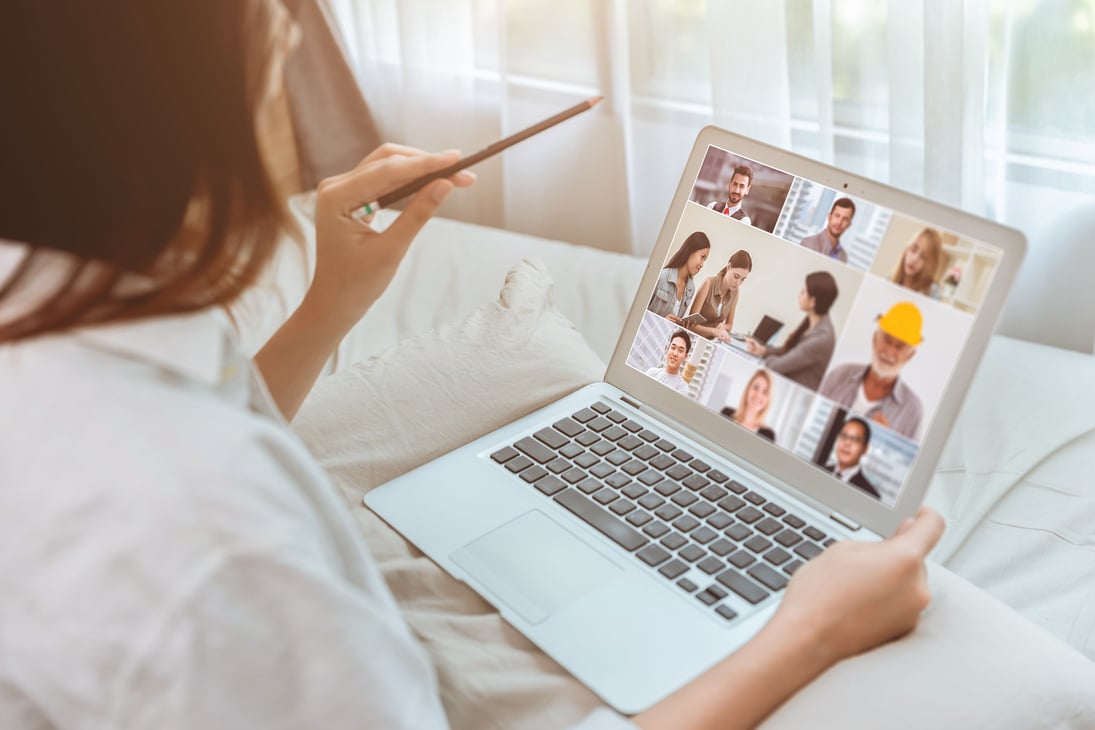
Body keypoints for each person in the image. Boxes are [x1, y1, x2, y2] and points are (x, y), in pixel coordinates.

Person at [0, 5, 945, 729]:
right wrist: (810, 629)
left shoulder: (58, 317)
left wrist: (334, 301)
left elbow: (196, 412)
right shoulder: (221, 546)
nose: (289, 36)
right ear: (174, 105)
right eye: (269, 20)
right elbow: (197, 478)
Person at [819, 302, 925, 440]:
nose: (890, 351)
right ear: (875, 339)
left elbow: (907, 461)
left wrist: (882, 441)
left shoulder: (912, 411)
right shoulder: (839, 375)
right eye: (887, 340)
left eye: (900, 346)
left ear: (909, 356)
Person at [746, 271, 838, 390]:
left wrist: (769, 359)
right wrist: (763, 351)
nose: (798, 295)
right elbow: (792, 350)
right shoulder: (814, 322)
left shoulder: (821, 339)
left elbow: (777, 366)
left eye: (803, 292)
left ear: (812, 301)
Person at [687, 249, 752, 342]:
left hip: (714, 341)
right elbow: (690, 325)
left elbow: (729, 325)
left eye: (743, 279)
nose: (738, 283)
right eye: (736, 276)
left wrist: (724, 326)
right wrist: (714, 331)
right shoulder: (709, 283)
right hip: (694, 339)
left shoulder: (735, 292)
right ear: (729, 267)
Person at [647, 231, 710, 323]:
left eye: (705, 260)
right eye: (702, 257)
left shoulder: (691, 289)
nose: (702, 264)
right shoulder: (660, 277)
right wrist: (661, 321)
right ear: (690, 251)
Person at [823, 417, 881, 498]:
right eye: (844, 436)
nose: (847, 443)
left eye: (855, 440)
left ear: (865, 449)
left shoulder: (870, 495)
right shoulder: (820, 470)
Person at [719, 369, 777, 441]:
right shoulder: (726, 414)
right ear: (748, 389)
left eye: (765, 392)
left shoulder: (768, 435)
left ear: (769, 399)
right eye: (755, 387)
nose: (758, 395)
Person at [892, 227, 944, 299]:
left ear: (930, 264)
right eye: (913, 250)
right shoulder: (889, 282)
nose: (914, 259)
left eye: (923, 257)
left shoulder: (933, 292)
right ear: (906, 249)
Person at [799, 197, 856, 263]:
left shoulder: (843, 256)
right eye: (837, 216)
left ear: (848, 225)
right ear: (829, 217)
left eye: (845, 219)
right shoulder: (809, 243)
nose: (839, 222)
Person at [645, 329, 693, 395]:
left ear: (685, 356)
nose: (675, 353)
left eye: (680, 350)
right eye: (673, 348)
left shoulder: (682, 388)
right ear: (667, 349)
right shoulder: (652, 373)